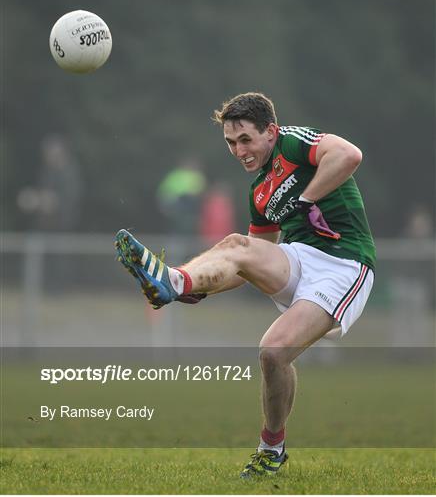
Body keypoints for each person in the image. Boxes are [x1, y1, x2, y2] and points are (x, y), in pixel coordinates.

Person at [115, 92, 376, 478]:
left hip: (344, 264)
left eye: (245, 140)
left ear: (270, 132)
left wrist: (304, 200)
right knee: (237, 244)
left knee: (273, 353)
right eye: (230, 143)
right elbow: (248, 262)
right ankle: (174, 281)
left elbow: (349, 156)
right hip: (298, 257)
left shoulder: (293, 142)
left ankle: (271, 448)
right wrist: (199, 288)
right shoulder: (259, 191)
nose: (238, 151)